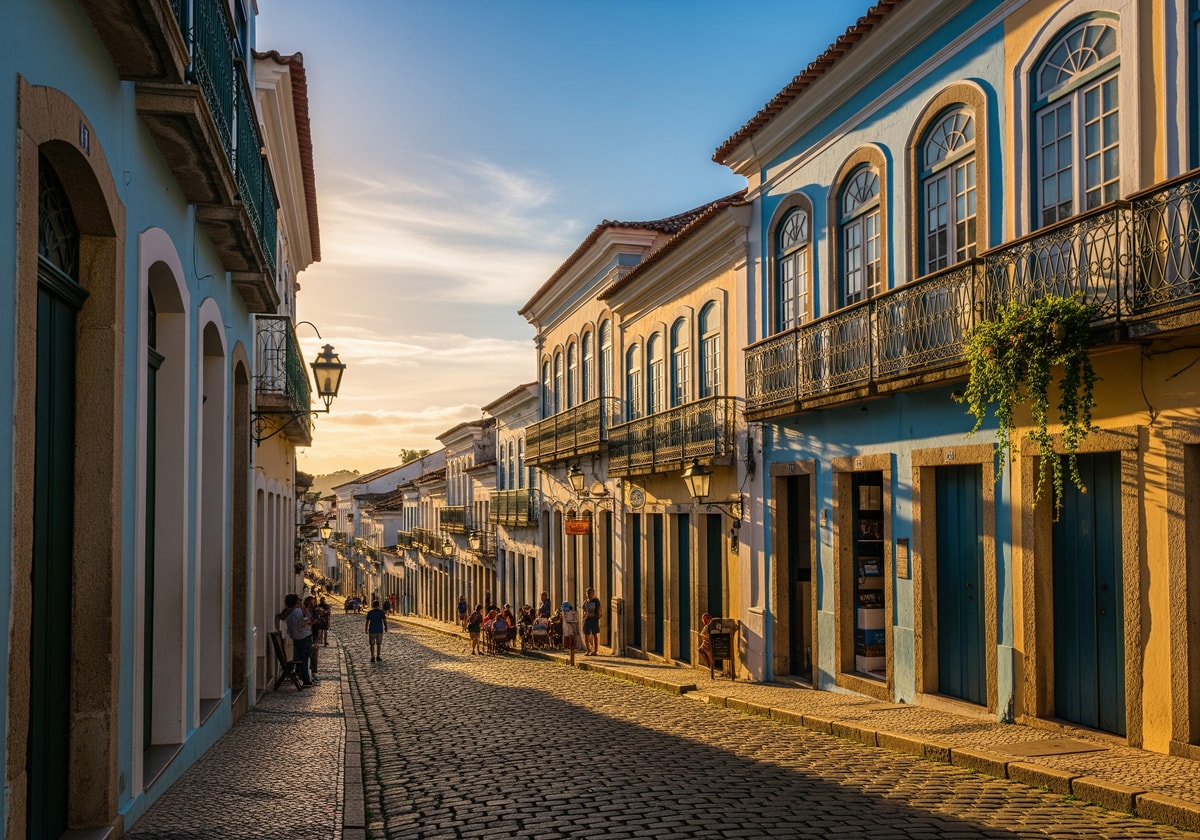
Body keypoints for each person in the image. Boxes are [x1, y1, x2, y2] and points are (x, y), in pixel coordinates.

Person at [278, 593, 314, 687]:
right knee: (304, 659)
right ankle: (306, 680)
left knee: (299, 658)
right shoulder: (298, 611)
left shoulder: (288, 613)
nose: (300, 602)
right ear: (295, 602)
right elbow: (307, 622)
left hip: (297, 638)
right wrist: (307, 613)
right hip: (304, 637)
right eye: (299, 600)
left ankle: (301, 676)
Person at [303, 595, 322, 680]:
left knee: (314, 655)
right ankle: (308, 673)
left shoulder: (314, 611)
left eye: (314, 602)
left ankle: (314, 672)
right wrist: (315, 621)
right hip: (307, 635)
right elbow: (307, 623)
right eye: (312, 602)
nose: (313, 603)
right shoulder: (305, 612)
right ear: (307, 602)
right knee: (309, 655)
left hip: (314, 635)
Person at [581, 587, 602, 656]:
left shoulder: (596, 601)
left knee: (595, 634)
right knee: (586, 635)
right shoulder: (585, 602)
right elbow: (584, 611)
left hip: (594, 619)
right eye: (587, 593)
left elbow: (599, 610)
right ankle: (588, 650)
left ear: (593, 594)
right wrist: (584, 617)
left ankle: (595, 650)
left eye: (590, 593)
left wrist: (598, 615)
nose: (588, 594)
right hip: (587, 620)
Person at [560, 600, 580, 667]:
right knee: (571, 645)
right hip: (571, 628)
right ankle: (571, 660)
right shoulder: (572, 612)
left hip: (568, 629)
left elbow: (566, 619)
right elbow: (575, 619)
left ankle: (571, 660)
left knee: (570, 645)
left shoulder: (565, 612)